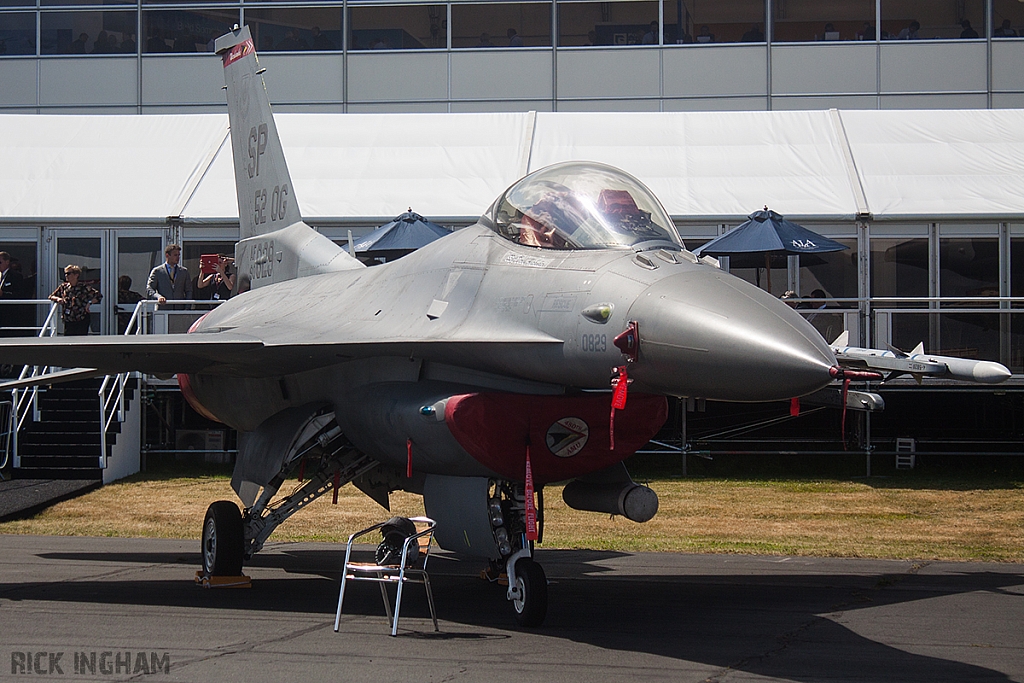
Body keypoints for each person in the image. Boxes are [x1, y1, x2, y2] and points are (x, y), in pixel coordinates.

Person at [49, 265, 101, 336]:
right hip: (68, 319)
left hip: (81, 319)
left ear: (76, 275)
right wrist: (58, 299)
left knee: (80, 341)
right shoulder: (63, 287)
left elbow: (98, 296)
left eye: (68, 273)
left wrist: (89, 303)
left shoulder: (83, 287)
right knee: (68, 341)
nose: (66, 275)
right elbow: (51, 296)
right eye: (65, 274)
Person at [147, 243, 192, 308]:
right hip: (163, 310)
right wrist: (158, 297)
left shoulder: (184, 271)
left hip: (179, 310)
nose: (178, 257)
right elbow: (150, 288)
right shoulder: (157, 271)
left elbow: (189, 290)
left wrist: (187, 307)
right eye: (175, 255)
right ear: (167, 255)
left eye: (179, 255)